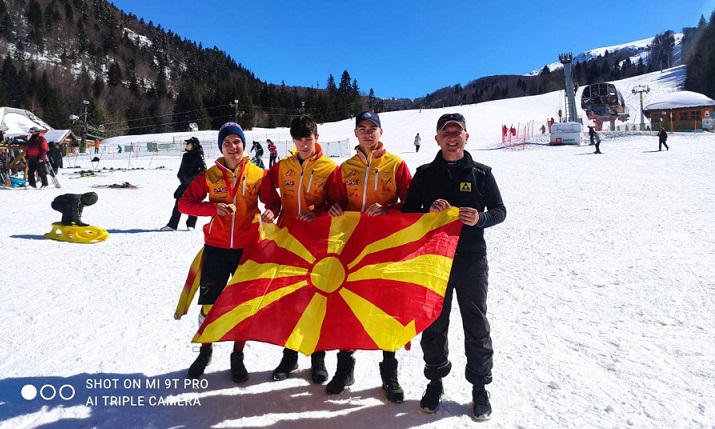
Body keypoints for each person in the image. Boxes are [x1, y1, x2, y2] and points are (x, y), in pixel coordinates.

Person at [402, 113, 506, 420]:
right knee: (434, 323)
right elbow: (408, 214)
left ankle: (479, 387)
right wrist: (427, 211)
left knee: (476, 323)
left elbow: (500, 210)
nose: (451, 136)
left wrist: (481, 218)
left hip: (471, 259)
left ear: (465, 137)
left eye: (457, 131)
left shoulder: (482, 174)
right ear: (436, 139)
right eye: (445, 132)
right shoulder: (423, 174)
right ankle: (435, 381)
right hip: (433, 261)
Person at [325, 111, 413, 401]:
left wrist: (388, 210)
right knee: (347, 308)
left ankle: (389, 373)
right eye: (361, 128)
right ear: (355, 134)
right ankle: (344, 368)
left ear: (380, 132)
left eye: (372, 128)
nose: (367, 133)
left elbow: (412, 204)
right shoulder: (344, 168)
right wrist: (335, 207)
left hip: (385, 249)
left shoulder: (396, 165)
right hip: (351, 249)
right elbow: (333, 200)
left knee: (385, 308)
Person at [178, 122, 270, 383]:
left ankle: (237, 355)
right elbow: (185, 204)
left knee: (242, 306)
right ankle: (205, 350)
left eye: (237, 141)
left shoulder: (257, 174)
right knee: (210, 305)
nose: (233, 147)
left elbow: (271, 201)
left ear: (244, 144)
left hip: (247, 250)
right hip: (216, 248)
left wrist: (271, 211)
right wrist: (211, 209)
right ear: (221, 147)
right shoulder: (209, 176)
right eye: (227, 142)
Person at [260, 115, 338, 384]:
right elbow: (266, 188)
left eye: (309, 139)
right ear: (292, 140)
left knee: (318, 300)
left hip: (319, 245)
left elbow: (337, 203)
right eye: (299, 140)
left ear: (316, 138)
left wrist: (319, 213)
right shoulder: (282, 167)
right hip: (289, 243)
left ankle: (318, 356)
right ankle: (289, 356)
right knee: (290, 300)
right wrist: (272, 209)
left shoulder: (329, 168)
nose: (305, 144)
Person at [161, 137, 206, 231]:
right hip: (184, 184)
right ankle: (172, 225)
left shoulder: (199, 155)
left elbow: (204, 170)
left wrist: (191, 178)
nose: (186, 145)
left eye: (188, 143)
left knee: (193, 204)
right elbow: (182, 167)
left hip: (193, 185)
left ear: (193, 145)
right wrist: (179, 174)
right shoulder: (185, 155)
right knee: (178, 203)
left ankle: (191, 225)